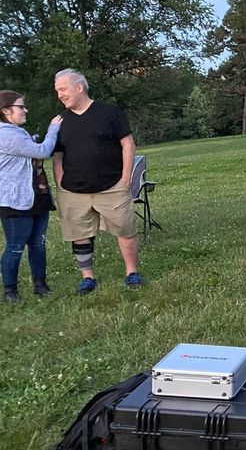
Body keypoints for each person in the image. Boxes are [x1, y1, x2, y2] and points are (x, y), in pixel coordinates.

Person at [52, 69, 142, 294]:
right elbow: (58, 155)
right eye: (57, 91)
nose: (60, 95)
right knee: (80, 234)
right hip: (73, 190)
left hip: (112, 185)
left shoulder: (108, 112)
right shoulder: (59, 121)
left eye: (63, 89)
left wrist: (125, 177)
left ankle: (132, 273)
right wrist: (60, 182)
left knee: (125, 229)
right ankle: (88, 278)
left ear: (79, 87)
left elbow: (127, 144)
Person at [0, 91, 61, 303]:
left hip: (36, 195)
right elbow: (42, 151)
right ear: (6, 111)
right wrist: (53, 129)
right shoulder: (6, 134)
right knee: (15, 246)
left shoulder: (17, 132)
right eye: (20, 107)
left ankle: (40, 285)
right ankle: (10, 292)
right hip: (16, 201)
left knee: (38, 243)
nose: (25, 110)